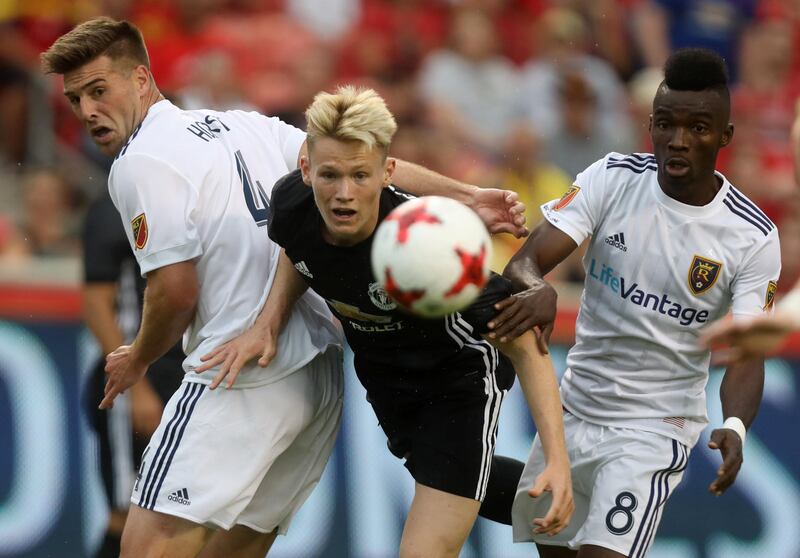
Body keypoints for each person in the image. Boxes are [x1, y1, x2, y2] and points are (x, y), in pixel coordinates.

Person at [41, 16, 528, 558]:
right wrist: (465, 195)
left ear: (140, 79)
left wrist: (138, 358)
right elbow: (358, 157)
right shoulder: (247, 126)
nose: (87, 111)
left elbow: (175, 293)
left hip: (236, 372)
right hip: (316, 381)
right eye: (76, 99)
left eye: (99, 90)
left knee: (145, 549)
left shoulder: (139, 163)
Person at [197, 85, 574, 558]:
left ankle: (565, 496)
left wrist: (556, 458)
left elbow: (523, 344)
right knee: (456, 479)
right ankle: (569, 522)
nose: (344, 194)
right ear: (306, 169)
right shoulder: (293, 204)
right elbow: (299, 253)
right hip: (386, 378)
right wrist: (268, 320)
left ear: (388, 173)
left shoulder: (429, 245)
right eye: (330, 175)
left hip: (458, 382)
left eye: (361, 175)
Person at [491, 48, 781, 557]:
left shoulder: (751, 236)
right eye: (666, 124)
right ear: (650, 123)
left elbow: (748, 347)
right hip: (572, 413)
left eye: (699, 128)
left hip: (653, 428)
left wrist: (734, 424)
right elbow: (525, 262)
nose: (679, 140)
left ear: (726, 137)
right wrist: (539, 288)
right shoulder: (611, 177)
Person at [82, 191, 184, 557]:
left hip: (185, 377)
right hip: (136, 379)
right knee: (128, 514)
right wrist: (137, 389)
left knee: (178, 517)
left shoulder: (186, 198)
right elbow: (96, 305)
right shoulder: (113, 206)